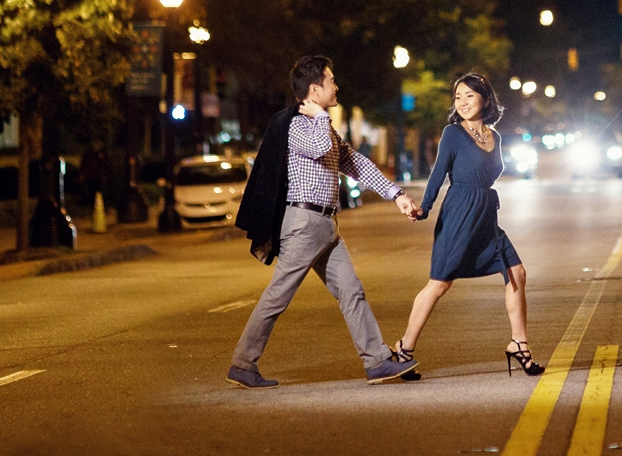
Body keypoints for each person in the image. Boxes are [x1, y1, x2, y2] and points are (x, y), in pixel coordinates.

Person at [226, 55, 420, 389]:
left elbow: (352, 161)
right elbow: (317, 148)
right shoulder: (298, 125)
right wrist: (318, 117)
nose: (337, 86)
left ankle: (376, 362)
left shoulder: (322, 125)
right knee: (278, 296)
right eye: (331, 80)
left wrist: (395, 193)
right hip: (303, 222)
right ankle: (243, 364)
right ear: (315, 90)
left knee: (351, 292)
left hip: (326, 225)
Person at [390, 72, 544, 377]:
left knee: (517, 273)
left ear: (485, 99)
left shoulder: (495, 137)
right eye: (458, 97)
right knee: (439, 283)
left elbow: (490, 173)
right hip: (460, 212)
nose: (462, 102)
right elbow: (439, 174)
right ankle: (403, 350)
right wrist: (425, 208)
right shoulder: (453, 134)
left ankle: (519, 344)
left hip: (486, 213)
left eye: (469, 96)